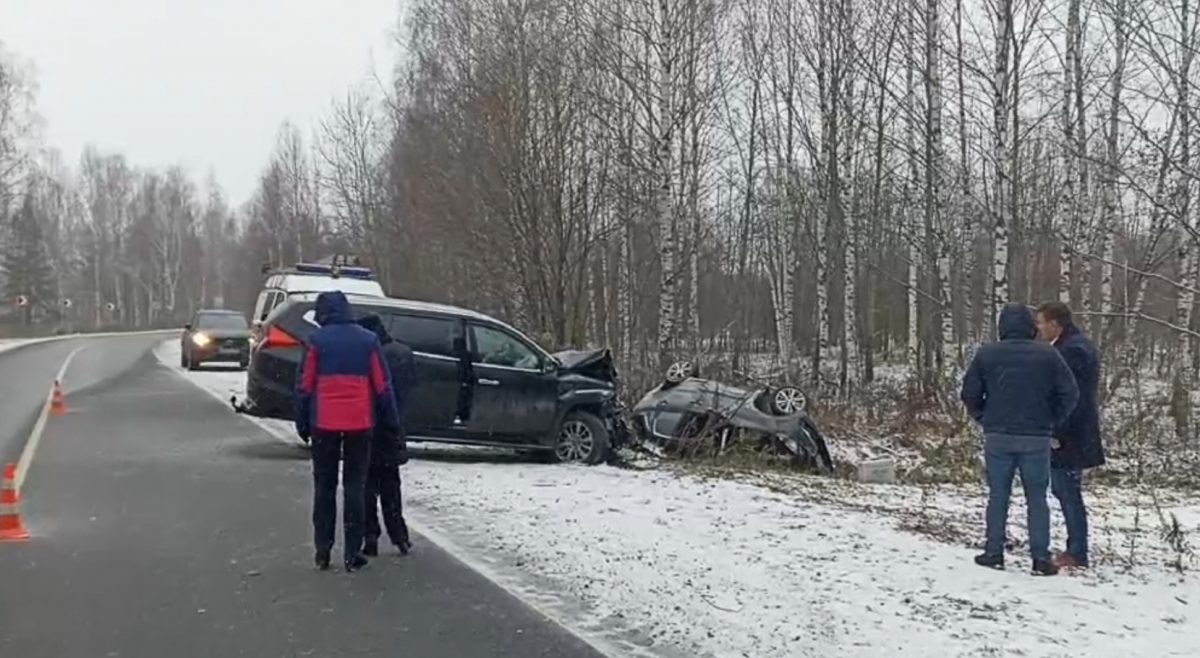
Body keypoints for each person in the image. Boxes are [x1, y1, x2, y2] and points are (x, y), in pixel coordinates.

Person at [961, 303, 1080, 576]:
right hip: (1036, 437)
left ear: (1002, 326)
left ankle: (993, 552)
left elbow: (969, 393)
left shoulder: (987, 354)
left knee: (998, 496)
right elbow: (1070, 393)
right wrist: (1051, 420)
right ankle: (1040, 558)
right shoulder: (1048, 355)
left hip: (998, 436)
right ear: (1029, 326)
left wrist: (984, 417)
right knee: (1037, 498)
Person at [295, 291, 400, 572]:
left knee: (324, 487)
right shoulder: (368, 340)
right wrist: (391, 421)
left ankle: (322, 549)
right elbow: (382, 385)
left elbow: (305, 385)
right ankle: (352, 552)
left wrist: (302, 420)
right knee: (355, 486)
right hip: (359, 423)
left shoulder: (316, 341)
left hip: (323, 423)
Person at [1035, 301, 1105, 569]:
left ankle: (1077, 550)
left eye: (1041, 323)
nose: (1039, 328)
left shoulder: (1072, 352)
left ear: (1055, 323)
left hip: (1071, 434)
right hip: (1073, 431)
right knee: (1064, 489)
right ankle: (1076, 547)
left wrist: (1057, 431)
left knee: (1067, 490)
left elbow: (1069, 397)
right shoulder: (1073, 347)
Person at [355, 314, 415, 556]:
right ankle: (399, 535)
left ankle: (370, 535)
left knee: (366, 485)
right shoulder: (402, 353)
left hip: (364, 425)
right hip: (391, 426)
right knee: (391, 485)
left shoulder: (365, 355)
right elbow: (409, 387)